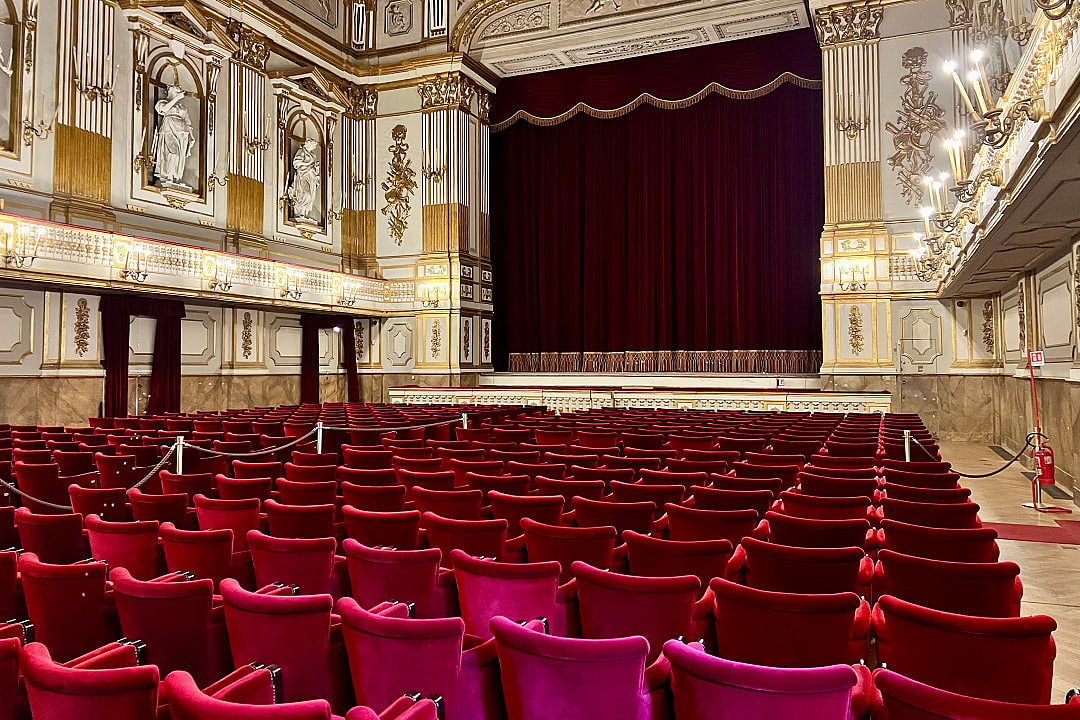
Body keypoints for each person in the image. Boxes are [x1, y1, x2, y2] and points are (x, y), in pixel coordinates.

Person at [154, 84, 195, 190]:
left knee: (180, 155)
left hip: (182, 132)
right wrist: (177, 98)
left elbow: (188, 123)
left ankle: (177, 178)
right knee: (172, 152)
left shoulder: (182, 108)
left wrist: (191, 136)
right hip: (169, 129)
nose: (179, 87)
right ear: (170, 90)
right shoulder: (163, 102)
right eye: (176, 87)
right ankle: (167, 176)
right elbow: (163, 109)